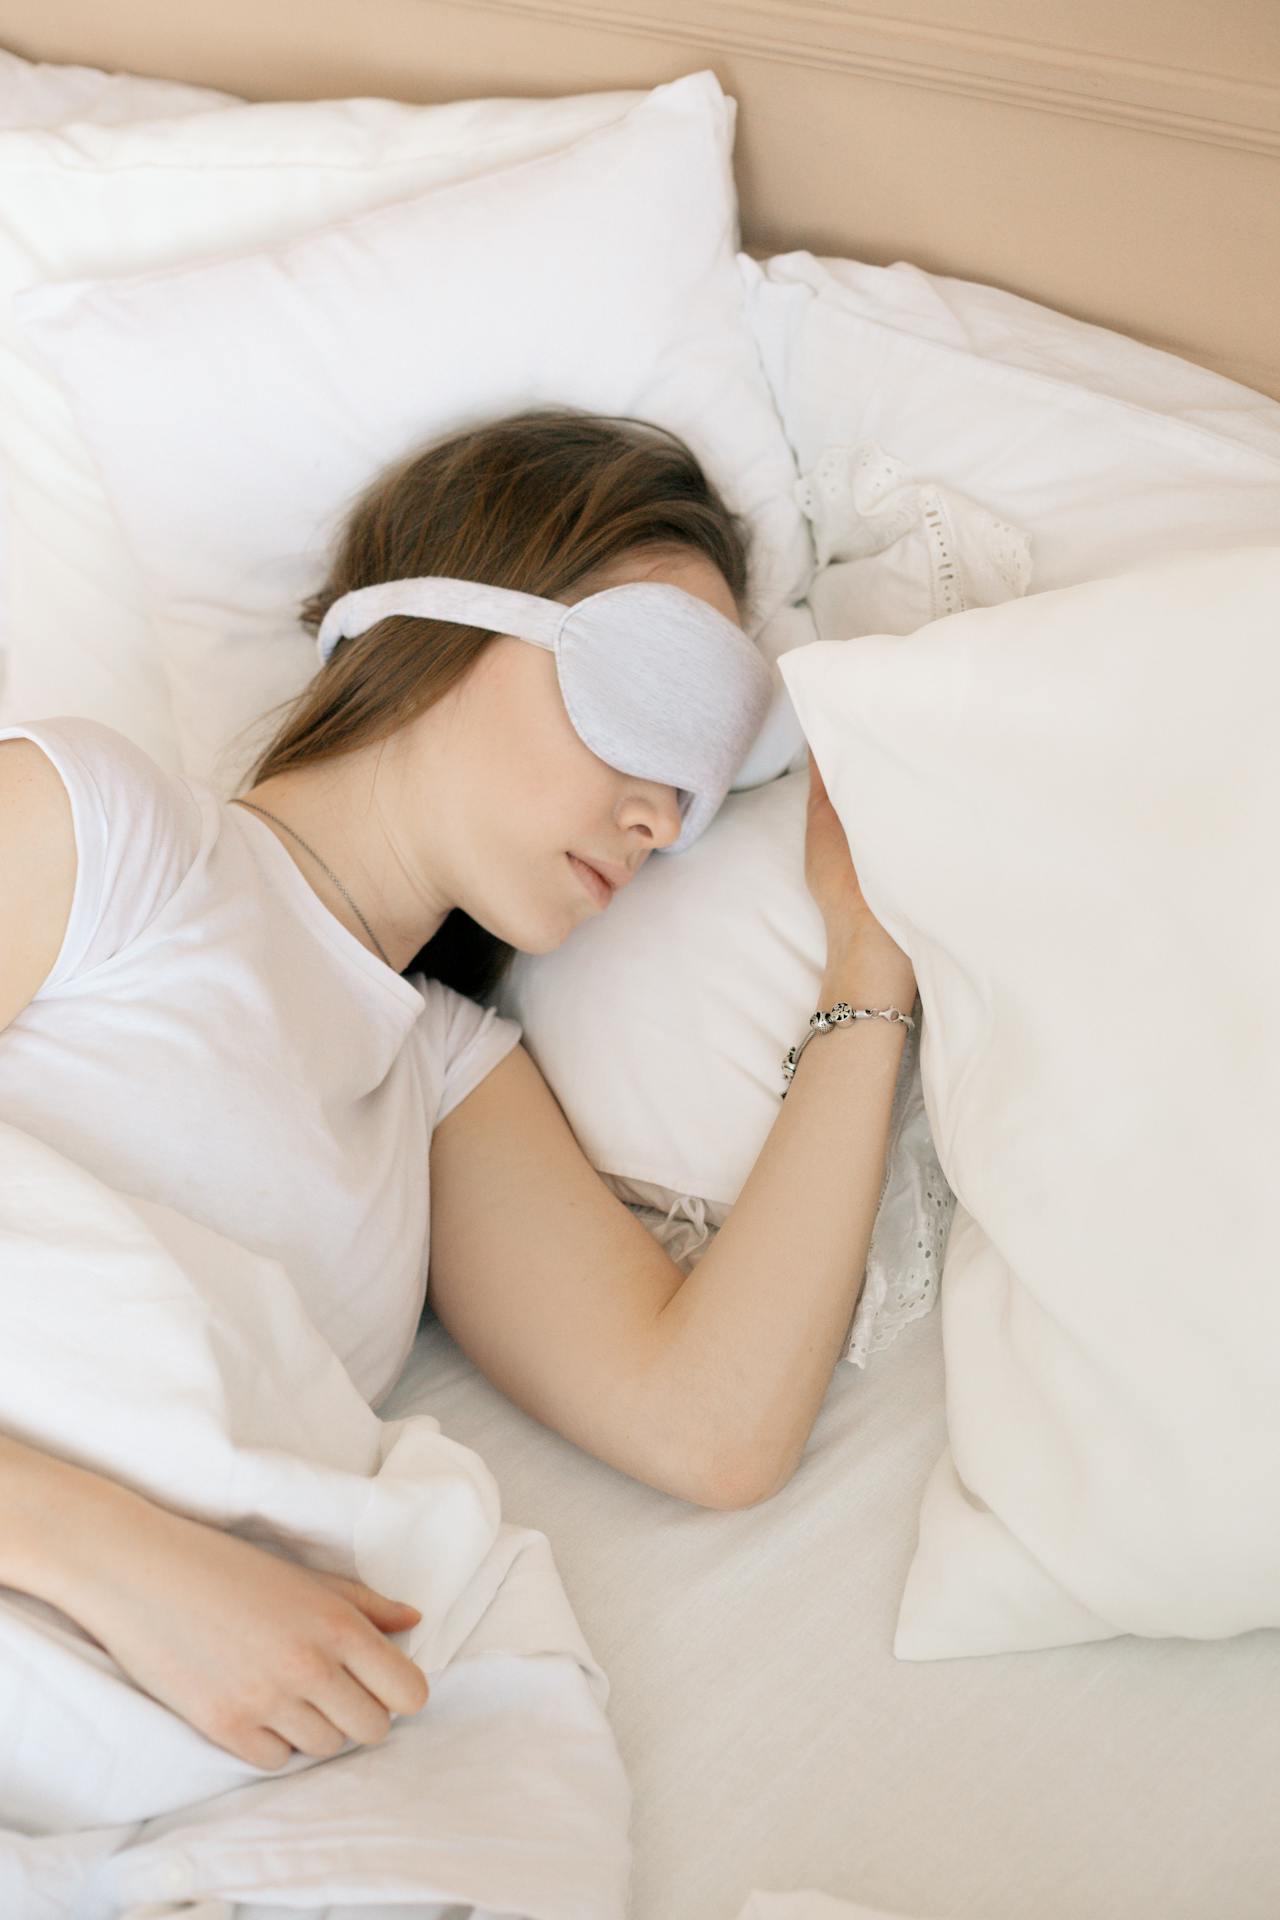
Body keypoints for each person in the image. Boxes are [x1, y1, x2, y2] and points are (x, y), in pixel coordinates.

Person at [0, 405, 917, 1777]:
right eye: (656, 703)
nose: (664, 816)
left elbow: (712, 1424)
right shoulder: (112, 833)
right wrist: (121, 1561)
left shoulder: (445, 1079)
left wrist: (872, 957)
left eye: (705, 781)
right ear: (443, 608)